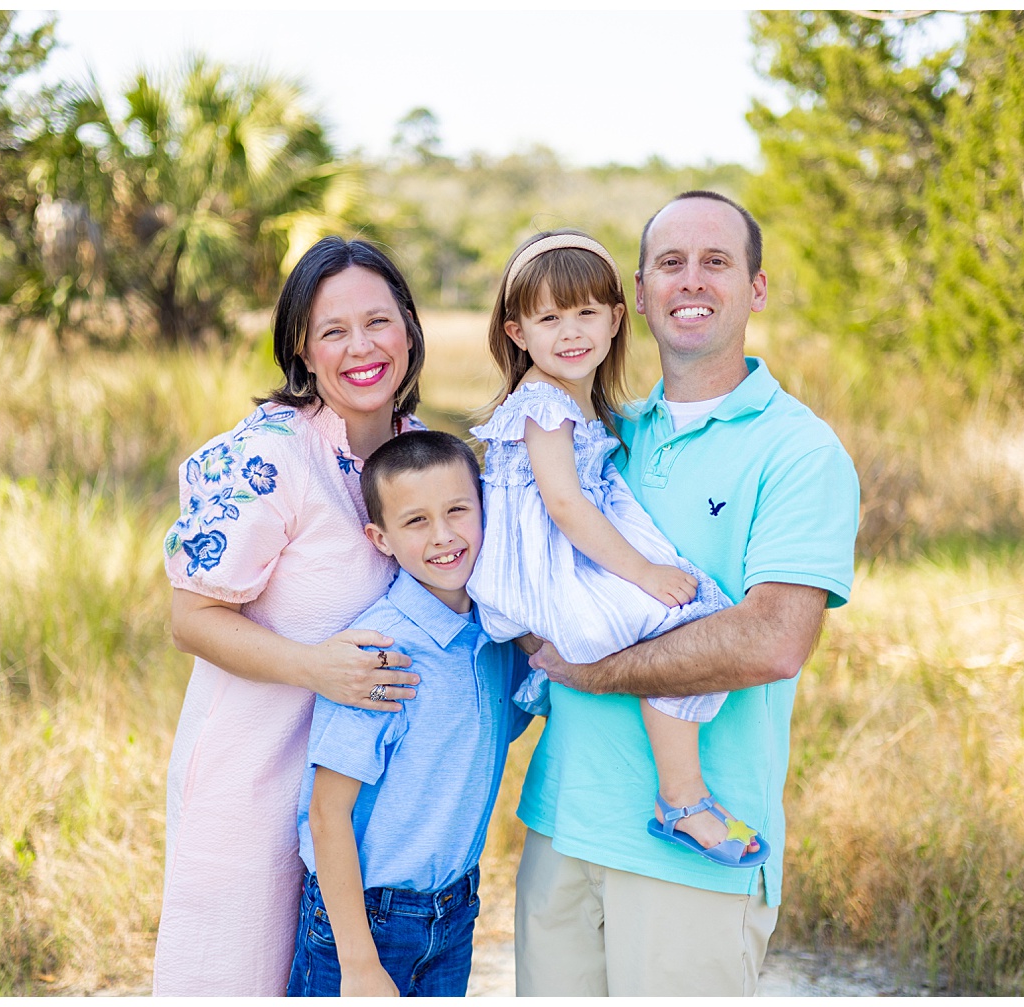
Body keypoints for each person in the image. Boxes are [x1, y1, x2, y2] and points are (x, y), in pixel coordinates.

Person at [513, 193, 861, 997]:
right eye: (671, 263)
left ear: (757, 287)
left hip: (691, 859)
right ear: (638, 292)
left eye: (716, 262)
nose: (691, 280)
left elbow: (773, 639)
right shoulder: (601, 437)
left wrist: (592, 668)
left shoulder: (798, 449)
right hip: (563, 830)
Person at [154, 237, 431, 996]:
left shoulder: (418, 458)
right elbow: (192, 618)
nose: (361, 347)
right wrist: (316, 667)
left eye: (378, 321)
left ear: (409, 327)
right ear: (302, 351)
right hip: (252, 787)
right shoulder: (268, 456)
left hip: (363, 804)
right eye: (332, 330)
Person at [467, 229, 767, 867]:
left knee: (690, 626)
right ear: (518, 333)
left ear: (614, 319)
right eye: (549, 318)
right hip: (548, 571)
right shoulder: (545, 404)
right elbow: (566, 507)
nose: (570, 332)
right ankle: (682, 800)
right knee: (680, 627)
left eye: (585, 313)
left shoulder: (582, 404)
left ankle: (680, 794)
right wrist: (645, 572)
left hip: (559, 561)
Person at [287, 431, 531, 997]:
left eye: (457, 511)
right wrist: (359, 963)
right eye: (416, 521)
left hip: (455, 908)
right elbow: (328, 814)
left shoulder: (492, 634)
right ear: (382, 538)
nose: (443, 536)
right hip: (366, 919)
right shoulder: (383, 654)